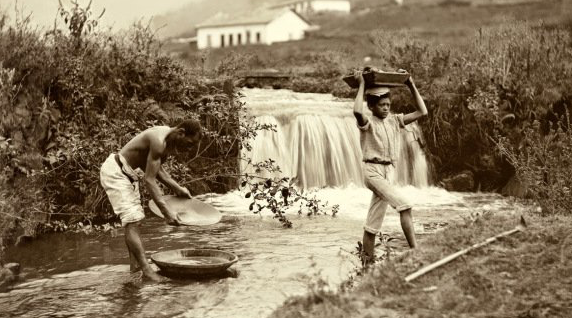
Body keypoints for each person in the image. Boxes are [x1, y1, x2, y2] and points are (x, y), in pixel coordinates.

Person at [100, 119, 201, 281]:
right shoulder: (158, 141)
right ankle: (146, 270)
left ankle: (135, 268)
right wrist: (166, 211)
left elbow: (158, 170)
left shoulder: (166, 138)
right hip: (116, 172)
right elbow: (149, 179)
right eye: (189, 143)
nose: (189, 149)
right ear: (181, 132)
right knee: (132, 221)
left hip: (128, 175)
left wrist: (178, 189)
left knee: (135, 221)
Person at [353, 69, 428, 265]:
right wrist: (361, 83)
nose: (386, 108)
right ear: (372, 106)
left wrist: (410, 84)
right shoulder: (368, 123)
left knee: (372, 225)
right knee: (405, 205)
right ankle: (415, 251)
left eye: (388, 105)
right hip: (372, 171)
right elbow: (357, 111)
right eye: (382, 105)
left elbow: (422, 112)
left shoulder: (395, 121)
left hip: (388, 173)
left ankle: (366, 264)